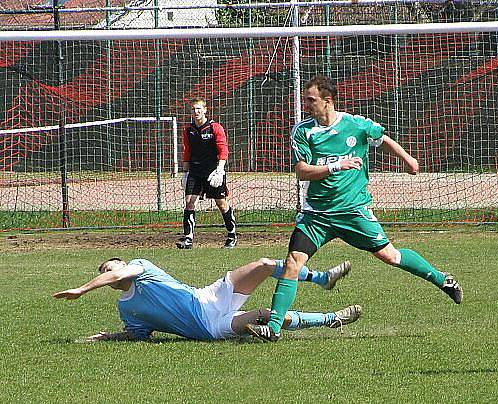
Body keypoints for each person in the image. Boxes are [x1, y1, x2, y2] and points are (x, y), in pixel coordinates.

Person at [245, 75, 463, 343]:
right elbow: (302, 171)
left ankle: (443, 280)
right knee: (293, 263)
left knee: (390, 256)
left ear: (328, 101)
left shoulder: (356, 125)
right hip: (317, 215)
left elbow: (382, 139)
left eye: (310, 100)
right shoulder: (303, 131)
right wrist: (336, 166)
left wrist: (408, 160)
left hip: (353, 212)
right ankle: (274, 328)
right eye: (305, 99)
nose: (306, 104)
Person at [52, 257, 357, 342]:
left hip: (209, 296)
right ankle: (332, 319)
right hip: (210, 327)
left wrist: (81, 289)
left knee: (264, 265)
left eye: (111, 266)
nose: (110, 272)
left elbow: (118, 275)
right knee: (264, 314)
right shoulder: (126, 308)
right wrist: (109, 337)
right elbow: (137, 335)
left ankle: (320, 278)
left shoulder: (142, 267)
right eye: (106, 271)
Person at [177, 98, 237, 249]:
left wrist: (220, 169)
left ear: (205, 110)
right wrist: (185, 172)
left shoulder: (214, 127)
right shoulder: (188, 130)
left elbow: (223, 149)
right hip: (195, 171)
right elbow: (187, 152)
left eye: (199, 109)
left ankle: (232, 235)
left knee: (221, 204)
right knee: (189, 202)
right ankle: (188, 238)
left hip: (213, 172)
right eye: (193, 109)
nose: (196, 112)